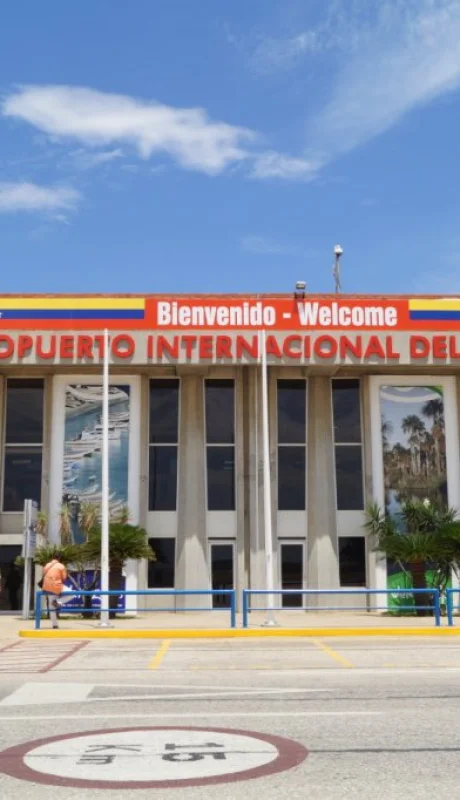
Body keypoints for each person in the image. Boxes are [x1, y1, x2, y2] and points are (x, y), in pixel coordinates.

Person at [42, 554, 67, 629]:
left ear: (52, 557)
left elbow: (44, 574)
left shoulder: (47, 565)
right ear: (59, 558)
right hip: (57, 586)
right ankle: (58, 601)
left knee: (51, 606)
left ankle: (54, 625)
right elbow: (64, 577)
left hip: (47, 587)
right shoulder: (61, 566)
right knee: (72, 594)